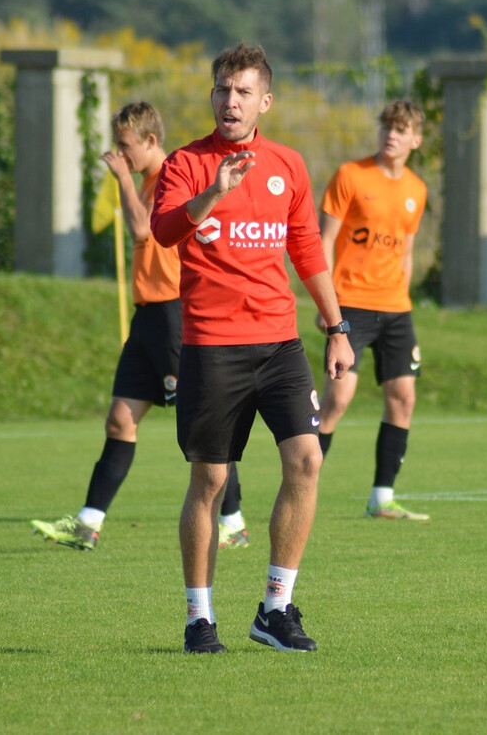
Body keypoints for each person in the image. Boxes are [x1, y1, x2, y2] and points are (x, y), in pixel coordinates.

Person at [151, 43, 354, 654]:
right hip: (213, 347)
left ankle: (275, 608)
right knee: (211, 480)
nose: (229, 100)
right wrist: (212, 193)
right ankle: (198, 619)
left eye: (241, 91)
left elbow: (307, 250)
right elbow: (163, 231)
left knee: (307, 461)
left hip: (280, 343)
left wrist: (337, 326)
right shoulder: (186, 164)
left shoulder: (287, 164)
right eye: (221, 89)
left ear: (264, 101)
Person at [31, 101, 249, 552]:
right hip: (147, 317)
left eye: (126, 145)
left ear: (150, 141)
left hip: (173, 313)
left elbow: (141, 231)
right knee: (119, 421)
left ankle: (234, 520)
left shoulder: (169, 174)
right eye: (117, 146)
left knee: (204, 424)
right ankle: (88, 524)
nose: (120, 153)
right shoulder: (146, 177)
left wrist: (123, 181)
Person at [315, 99, 430, 522]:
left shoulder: (417, 190)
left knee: (403, 398)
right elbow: (322, 242)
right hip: (350, 305)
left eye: (401, 129)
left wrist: (403, 293)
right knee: (337, 399)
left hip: (396, 309)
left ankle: (382, 497)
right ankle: (302, 485)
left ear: (415, 139)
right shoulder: (350, 176)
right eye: (387, 126)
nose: (391, 134)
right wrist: (328, 309)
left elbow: (407, 251)